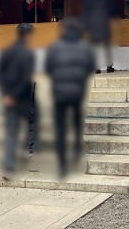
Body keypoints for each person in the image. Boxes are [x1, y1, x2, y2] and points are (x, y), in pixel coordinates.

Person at [45, 17, 96, 177]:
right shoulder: (85, 47)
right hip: (77, 91)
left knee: (60, 128)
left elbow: (48, 68)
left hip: (59, 92)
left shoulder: (54, 47)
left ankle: (62, 165)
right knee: (76, 123)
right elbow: (90, 68)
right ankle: (77, 153)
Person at [0, 22, 36, 180]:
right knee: (31, 123)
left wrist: (6, 94)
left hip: (8, 97)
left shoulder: (7, 51)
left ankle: (8, 168)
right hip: (22, 97)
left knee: (12, 132)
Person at [81, 0, 117, 73]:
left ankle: (95, 68)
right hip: (104, 23)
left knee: (94, 47)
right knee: (107, 47)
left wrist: (85, 25)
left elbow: (85, 10)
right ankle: (109, 67)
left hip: (92, 24)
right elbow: (112, 8)